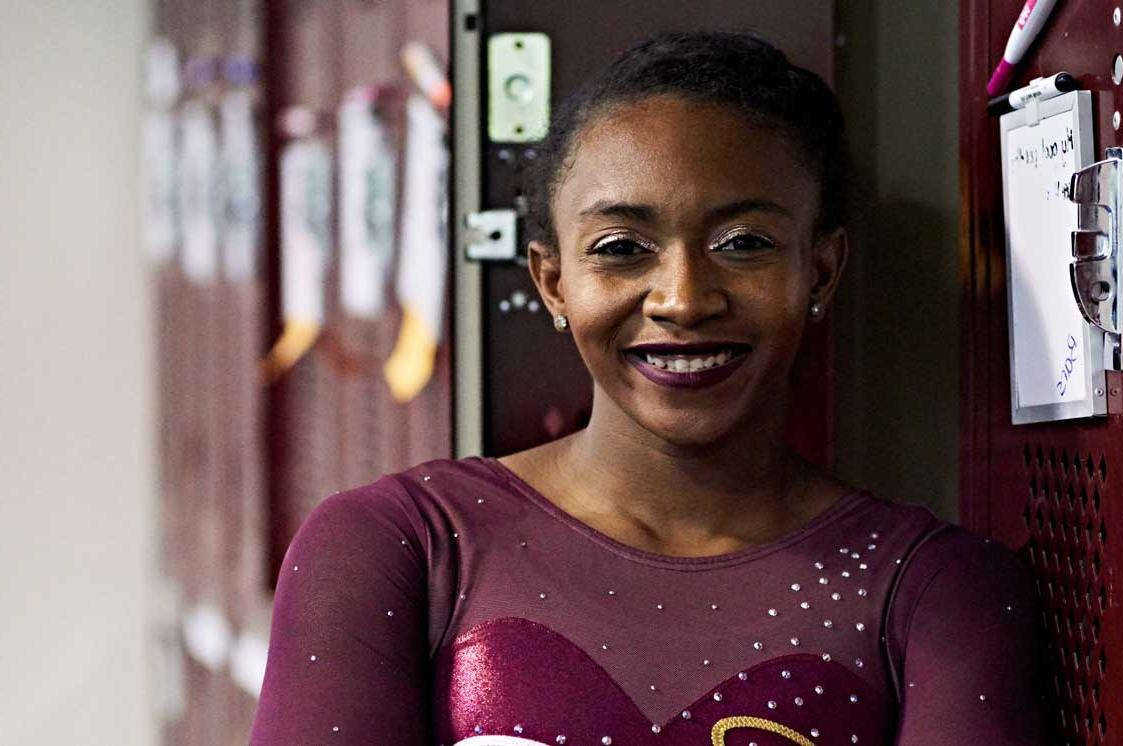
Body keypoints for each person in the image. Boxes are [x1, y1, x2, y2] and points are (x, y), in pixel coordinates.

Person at [251, 31, 1049, 745]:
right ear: (554, 282)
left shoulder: (938, 595)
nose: (683, 298)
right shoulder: (398, 550)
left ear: (822, 268)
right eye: (622, 247)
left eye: (743, 242)